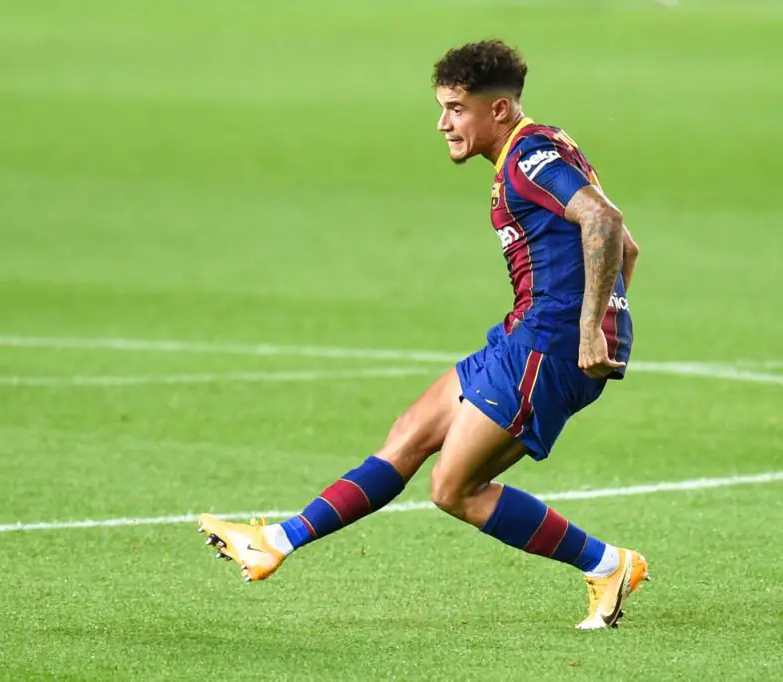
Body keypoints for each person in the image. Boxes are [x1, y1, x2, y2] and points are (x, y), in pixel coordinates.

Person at [198, 39, 647, 630]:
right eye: (442, 108)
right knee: (410, 432)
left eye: (456, 109)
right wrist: (611, 315)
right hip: (526, 334)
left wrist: (590, 328)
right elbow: (627, 247)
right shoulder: (540, 146)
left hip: (548, 345)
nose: (443, 124)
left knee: (454, 489)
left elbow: (606, 220)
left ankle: (608, 565)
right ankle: (274, 542)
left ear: (499, 110)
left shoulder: (530, 157)